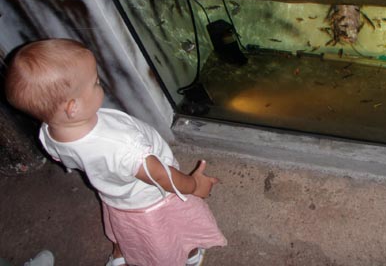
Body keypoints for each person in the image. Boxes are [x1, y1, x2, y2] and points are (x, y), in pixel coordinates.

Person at [4, 39, 227, 266]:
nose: (100, 83)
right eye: (95, 82)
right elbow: (161, 176)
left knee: (131, 230)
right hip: (152, 198)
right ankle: (189, 255)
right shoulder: (121, 145)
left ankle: (123, 252)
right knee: (171, 233)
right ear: (73, 107)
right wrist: (194, 185)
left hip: (117, 197)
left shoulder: (48, 132)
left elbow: (65, 158)